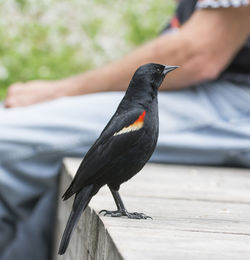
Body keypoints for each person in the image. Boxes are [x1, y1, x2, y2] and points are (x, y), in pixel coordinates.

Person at [1, 0, 250, 259]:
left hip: (232, 99)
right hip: (199, 97)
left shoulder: (140, 114)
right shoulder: (140, 112)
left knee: (4, 142)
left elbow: (197, 52)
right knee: (43, 202)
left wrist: (58, 91)